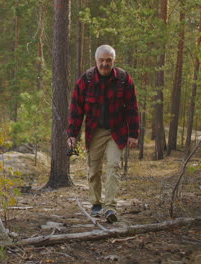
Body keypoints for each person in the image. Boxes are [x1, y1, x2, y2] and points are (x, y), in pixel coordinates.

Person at [67, 44, 139, 223]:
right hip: (95, 131)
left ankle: (110, 207)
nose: (105, 64)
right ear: (96, 61)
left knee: (114, 166)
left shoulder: (123, 79)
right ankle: (96, 204)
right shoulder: (86, 80)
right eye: (102, 60)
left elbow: (132, 108)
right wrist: (72, 134)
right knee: (94, 170)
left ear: (114, 61)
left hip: (117, 130)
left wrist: (134, 134)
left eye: (109, 60)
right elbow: (76, 110)